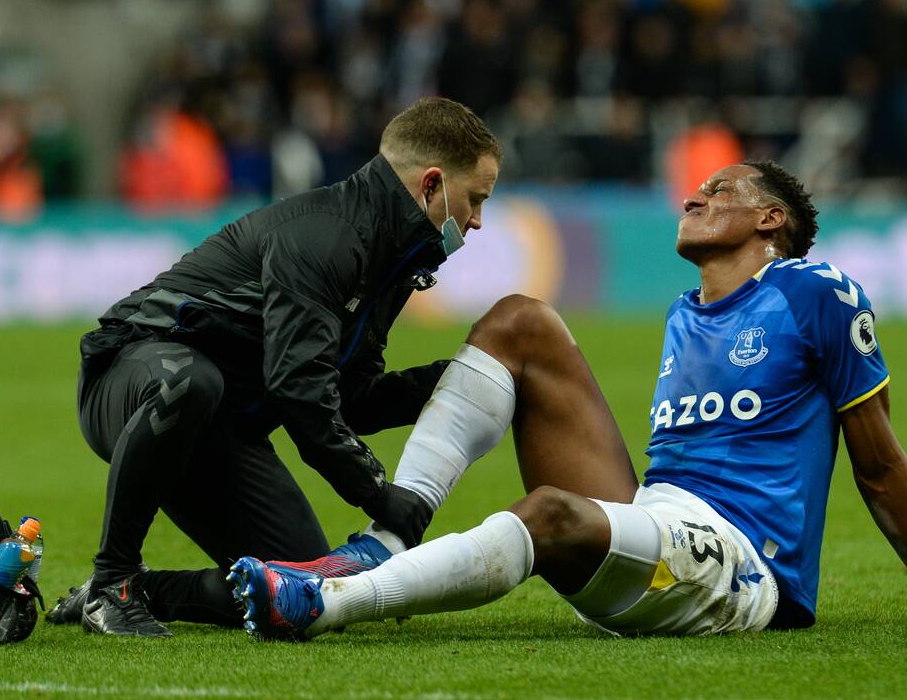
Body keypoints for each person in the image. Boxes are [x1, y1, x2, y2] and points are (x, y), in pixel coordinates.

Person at [233, 160, 907, 640]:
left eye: (719, 189)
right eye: (696, 190)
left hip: (739, 564)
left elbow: (878, 465)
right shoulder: (685, 310)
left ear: (770, 218)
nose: (692, 198)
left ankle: (330, 602)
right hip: (650, 529)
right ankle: (385, 539)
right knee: (520, 321)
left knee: (550, 514)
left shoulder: (816, 291)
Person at [48, 96, 503, 636]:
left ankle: (146, 592)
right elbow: (299, 390)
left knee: (305, 591)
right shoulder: (326, 235)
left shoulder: (393, 256)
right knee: (190, 380)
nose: (476, 221)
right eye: (475, 200)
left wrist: (459, 379)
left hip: (218, 427)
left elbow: (349, 398)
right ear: (431, 185)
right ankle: (113, 581)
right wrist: (379, 494)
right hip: (127, 381)